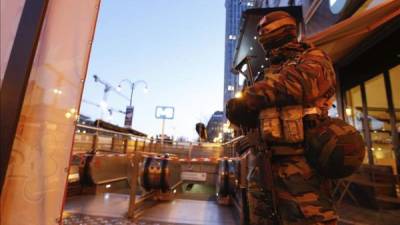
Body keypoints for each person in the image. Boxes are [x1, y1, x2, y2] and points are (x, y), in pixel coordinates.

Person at [229, 11, 338, 225]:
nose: (262, 37)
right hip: (263, 166)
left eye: (267, 31)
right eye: (260, 33)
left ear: (286, 30)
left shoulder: (312, 57)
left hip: (301, 169)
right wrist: (245, 116)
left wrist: (249, 99)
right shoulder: (267, 72)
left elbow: (299, 83)